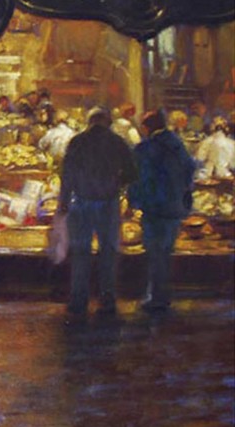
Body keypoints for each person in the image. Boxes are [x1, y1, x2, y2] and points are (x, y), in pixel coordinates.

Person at [58, 106, 137, 317]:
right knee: (108, 253)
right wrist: (116, 183)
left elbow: (67, 174)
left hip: (81, 202)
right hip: (108, 203)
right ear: (108, 122)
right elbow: (131, 173)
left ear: (90, 121)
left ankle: (79, 300)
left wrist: (63, 202)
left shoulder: (78, 142)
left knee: (80, 253)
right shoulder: (117, 142)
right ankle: (107, 300)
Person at [128, 110, 196, 312]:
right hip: (174, 207)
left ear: (146, 127)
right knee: (166, 252)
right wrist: (182, 191)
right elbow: (190, 168)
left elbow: (136, 178)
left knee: (155, 253)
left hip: (154, 208)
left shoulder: (145, 148)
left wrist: (133, 202)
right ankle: (162, 295)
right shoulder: (177, 145)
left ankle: (157, 297)